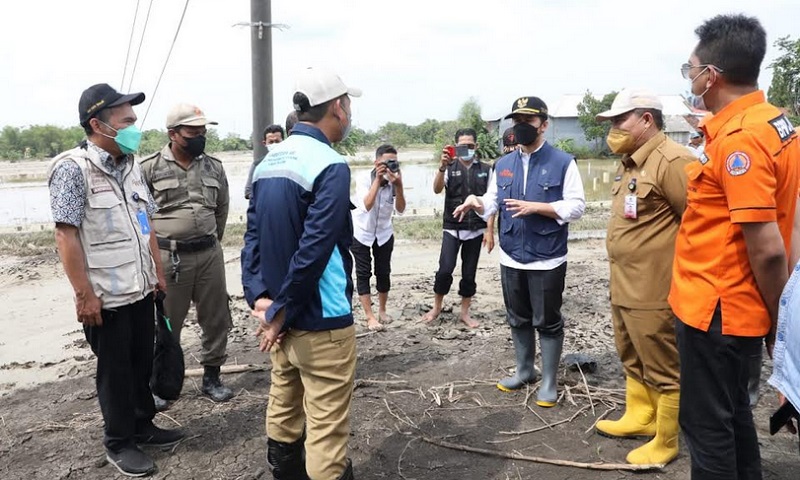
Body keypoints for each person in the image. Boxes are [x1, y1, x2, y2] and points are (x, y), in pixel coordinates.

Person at [671, 14, 800, 479]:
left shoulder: (741, 141)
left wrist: (779, 324)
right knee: (734, 415)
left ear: (713, 76)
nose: (690, 78)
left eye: (691, 69)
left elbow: (767, 247)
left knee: (707, 430)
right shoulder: (777, 124)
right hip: (733, 307)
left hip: (718, 309)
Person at [47, 83, 183, 477]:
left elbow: (146, 224)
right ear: (97, 124)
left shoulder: (131, 166)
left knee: (141, 363)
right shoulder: (73, 169)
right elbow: (65, 234)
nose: (134, 129)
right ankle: (119, 441)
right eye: (126, 122)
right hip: (105, 297)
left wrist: (157, 272)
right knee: (116, 372)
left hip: (140, 289)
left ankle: (143, 424)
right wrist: (83, 295)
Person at [242, 67, 361, 480]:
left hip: (278, 315)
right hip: (318, 320)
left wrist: (259, 297)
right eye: (348, 105)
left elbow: (252, 238)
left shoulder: (269, 162)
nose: (349, 114)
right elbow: (314, 250)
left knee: (284, 403)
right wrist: (282, 312)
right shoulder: (330, 165)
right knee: (326, 429)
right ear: (337, 109)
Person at [453, 96, 585, 407]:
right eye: (517, 122)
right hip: (512, 255)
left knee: (548, 320)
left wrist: (539, 207)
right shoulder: (504, 164)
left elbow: (577, 206)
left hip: (547, 257)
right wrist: (477, 201)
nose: (521, 127)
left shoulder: (563, 162)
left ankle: (549, 380)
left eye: (528, 121)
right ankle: (525, 369)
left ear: (544, 124)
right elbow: (494, 201)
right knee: (517, 317)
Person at [593, 88, 694, 465]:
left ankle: (666, 439)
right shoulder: (629, 161)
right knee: (631, 351)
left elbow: (696, 225)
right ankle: (640, 416)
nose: (614, 129)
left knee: (663, 361)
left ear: (646, 119)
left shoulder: (674, 160)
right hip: (624, 284)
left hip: (655, 288)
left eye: (621, 120)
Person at [139, 103, 233, 407]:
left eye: (203, 131)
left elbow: (221, 208)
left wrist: (210, 240)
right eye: (193, 132)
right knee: (166, 323)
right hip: (169, 258)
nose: (200, 136)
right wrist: (151, 254)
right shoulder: (149, 168)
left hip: (208, 254)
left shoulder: (213, 167)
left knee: (217, 318)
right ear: (173, 134)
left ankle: (212, 377)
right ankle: (162, 384)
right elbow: (140, 215)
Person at [420, 128, 493, 328]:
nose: (467, 149)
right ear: (456, 147)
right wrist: (442, 167)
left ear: (476, 146)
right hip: (452, 228)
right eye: (462, 146)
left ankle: (464, 313)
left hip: (476, 230)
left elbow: (491, 202)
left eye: (470, 146)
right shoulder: (449, 167)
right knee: (445, 270)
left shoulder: (487, 170)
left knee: (469, 273)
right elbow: (436, 189)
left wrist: (489, 230)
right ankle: (436, 307)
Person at [350, 144, 406, 331]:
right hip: (361, 232)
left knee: (383, 272)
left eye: (394, 162)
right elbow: (366, 205)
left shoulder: (395, 179)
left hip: (383, 232)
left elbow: (400, 209)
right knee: (363, 273)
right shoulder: (363, 178)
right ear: (376, 162)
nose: (391, 165)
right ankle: (369, 316)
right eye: (387, 162)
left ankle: (382, 310)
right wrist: (378, 180)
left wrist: (398, 185)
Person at [244, 112, 298, 199]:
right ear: (265, 143)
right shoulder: (258, 164)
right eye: (271, 142)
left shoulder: (291, 161)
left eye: (277, 141)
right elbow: (248, 191)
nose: (274, 144)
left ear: (283, 141)